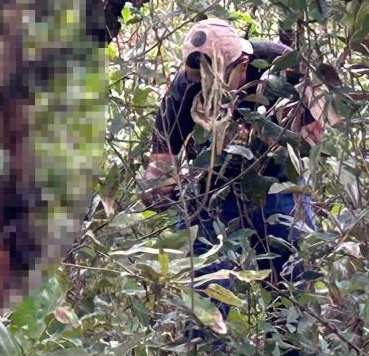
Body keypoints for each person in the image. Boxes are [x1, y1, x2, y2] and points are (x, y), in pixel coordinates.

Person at [141, 19, 330, 321]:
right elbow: (161, 162)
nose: (207, 84)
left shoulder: (281, 65)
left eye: (216, 75)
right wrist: (158, 187)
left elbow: (317, 134)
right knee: (203, 284)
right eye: (200, 76)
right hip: (213, 192)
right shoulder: (184, 90)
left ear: (242, 64)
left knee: (295, 279)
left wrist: (276, 135)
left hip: (278, 186)